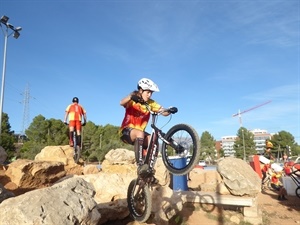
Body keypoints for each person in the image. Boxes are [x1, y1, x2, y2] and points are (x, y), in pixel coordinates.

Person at [119, 78, 177, 177]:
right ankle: (140, 165)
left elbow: (163, 112)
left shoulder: (150, 103)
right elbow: (121, 102)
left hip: (139, 135)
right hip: (126, 132)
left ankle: (148, 171)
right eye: (148, 92)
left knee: (154, 140)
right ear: (141, 90)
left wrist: (169, 110)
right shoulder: (133, 100)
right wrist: (131, 97)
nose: (149, 95)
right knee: (140, 133)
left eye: (151, 93)